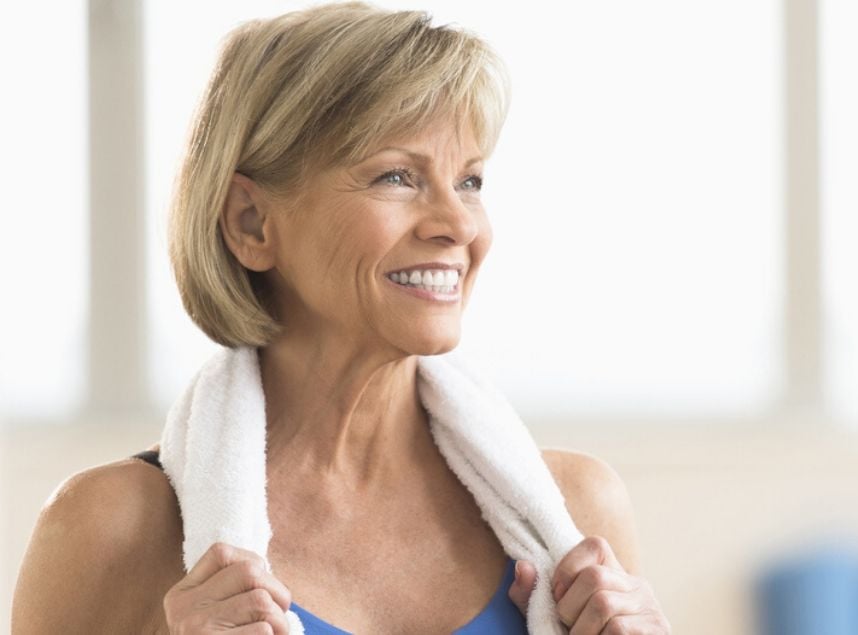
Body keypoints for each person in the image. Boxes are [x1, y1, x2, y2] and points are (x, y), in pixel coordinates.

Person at [11, 3, 671, 633]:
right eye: (396, 177)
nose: (457, 224)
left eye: (469, 180)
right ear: (251, 222)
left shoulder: (580, 510)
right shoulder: (110, 527)